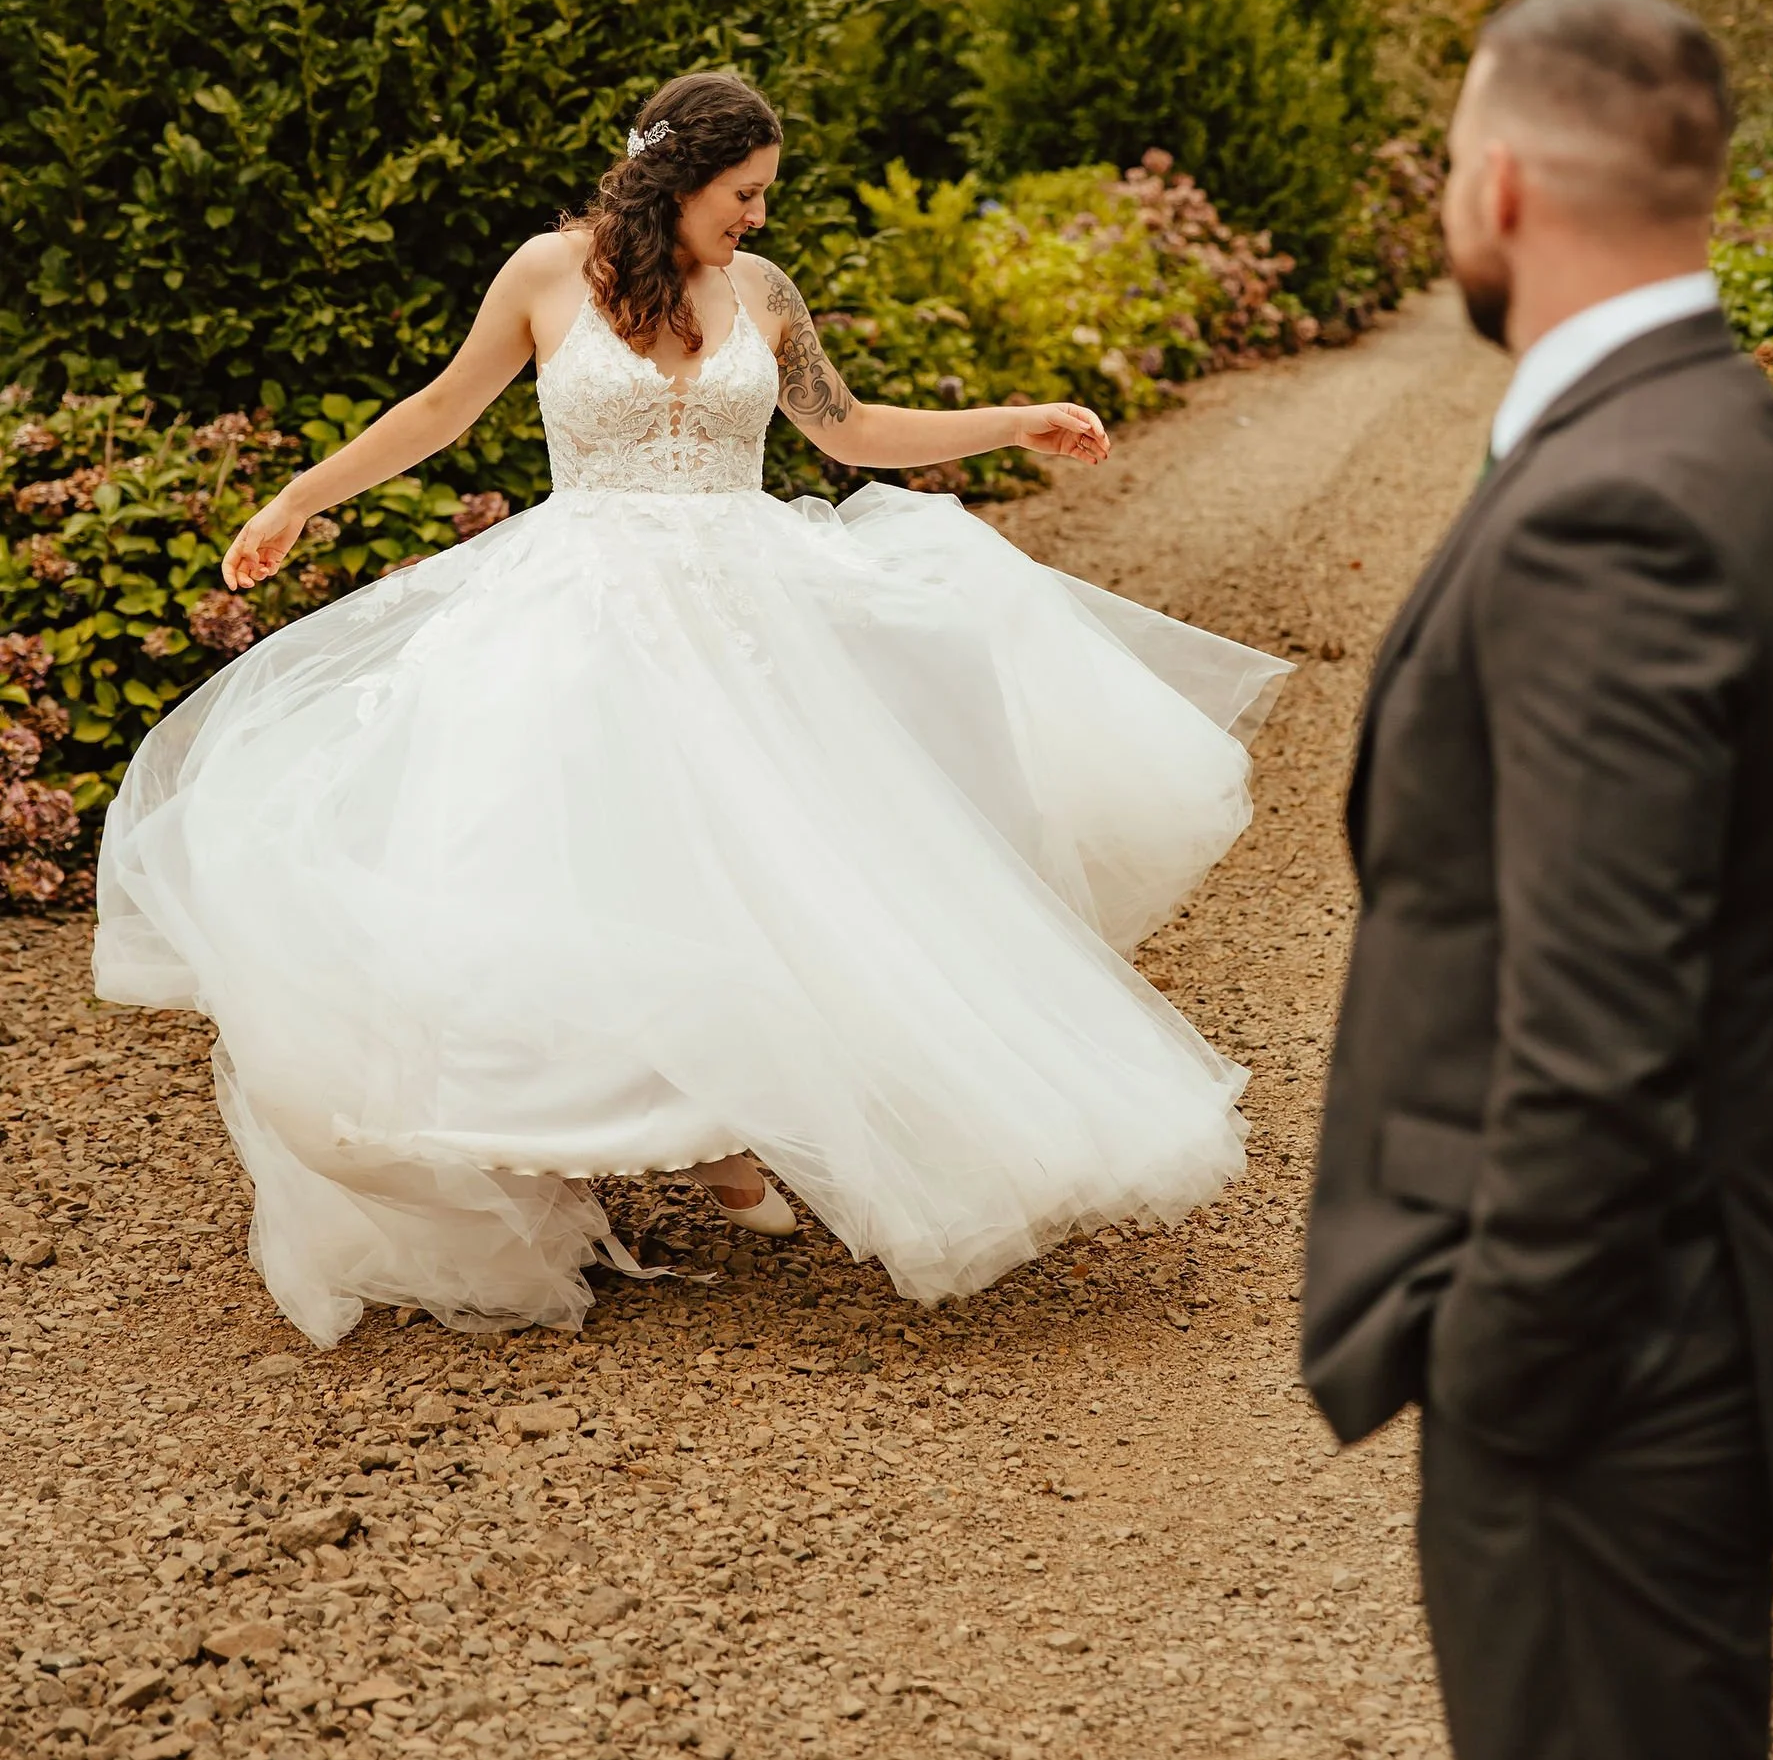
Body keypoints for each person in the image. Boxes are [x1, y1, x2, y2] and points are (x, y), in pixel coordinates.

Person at [96, 69, 1286, 1347]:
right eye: (744, 193)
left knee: (765, 868)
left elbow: (849, 429)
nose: (757, 218)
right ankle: (573, 1133)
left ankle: (724, 1125)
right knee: (567, 870)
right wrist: (294, 502)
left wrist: (1017, 422)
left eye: (762, 196)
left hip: (742, 613)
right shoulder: (548, 275)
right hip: (575, 611)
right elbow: (442, 411)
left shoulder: (760, 296)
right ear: (677, 176)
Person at [1301, 0, 1773, 1760]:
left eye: (1454, 161)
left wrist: (1505, 1366)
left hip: (1613, 1381)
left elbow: (1601, 1035)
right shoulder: (1725, 434)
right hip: (1679, 1329)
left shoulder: (1612, 503)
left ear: (1505, 180)